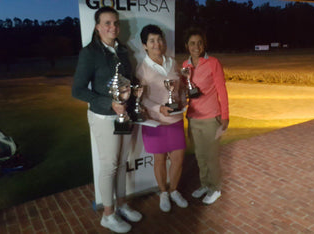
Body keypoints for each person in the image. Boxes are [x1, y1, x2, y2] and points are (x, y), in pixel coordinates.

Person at [72, 6, 141, 233]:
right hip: (103, 117)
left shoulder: (122, 51)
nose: (113, 27)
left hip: (123, 116)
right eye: (108, 23)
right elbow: (78, 90)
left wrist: (134, 95)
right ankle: (108, 215)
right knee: (109, 165)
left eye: (116, 23)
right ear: (98, 27)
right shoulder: (89, 52)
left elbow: (127, 81)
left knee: (121, 163)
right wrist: (108, 103)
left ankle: (121, 205)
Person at [136, 24, 188, 212]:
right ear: (144, 45)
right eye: (152, 41)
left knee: (178, 159)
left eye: (159, 39)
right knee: (159, 160)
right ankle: (163, 193)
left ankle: (174, 190)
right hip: (155, 122)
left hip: (175, 119)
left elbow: (180, 88)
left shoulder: (172, 62)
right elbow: (141, 98)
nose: (157, 43)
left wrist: (181, 102)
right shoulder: (142, 69)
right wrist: (159, 108)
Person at [182, 27, 229, 205]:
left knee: (211, 156)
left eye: (200, 43)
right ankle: (205, 185)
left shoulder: (213, 63)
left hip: (211, 117)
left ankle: (215, 188)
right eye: (192, 43)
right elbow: (185, 91)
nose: (196, 46)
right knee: (200, 156)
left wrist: (225, 116)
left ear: (204, 45)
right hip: (193, 118)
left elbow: (221, 90)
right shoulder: (185, 66)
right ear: (187, 45)